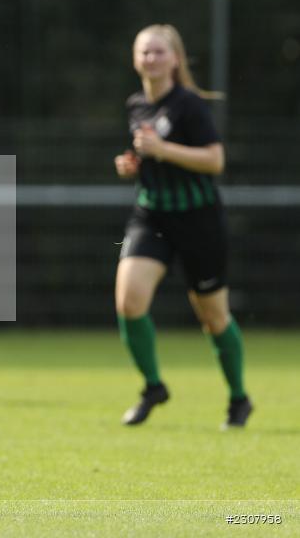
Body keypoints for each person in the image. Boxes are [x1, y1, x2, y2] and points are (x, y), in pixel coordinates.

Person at [114, 24, 251, 430]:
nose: (151, 59)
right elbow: (150, 156)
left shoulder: (190, 106)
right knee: (129, 303)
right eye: (145, 52)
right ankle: (154, 387)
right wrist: (133, 164)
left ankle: (239, 398)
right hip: (151, 215)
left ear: (175, 59)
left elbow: (215, 161)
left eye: (159, 52)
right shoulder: (136, 104)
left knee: (213, 317)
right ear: (136, 59)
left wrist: (162, 150)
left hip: (199, 220)